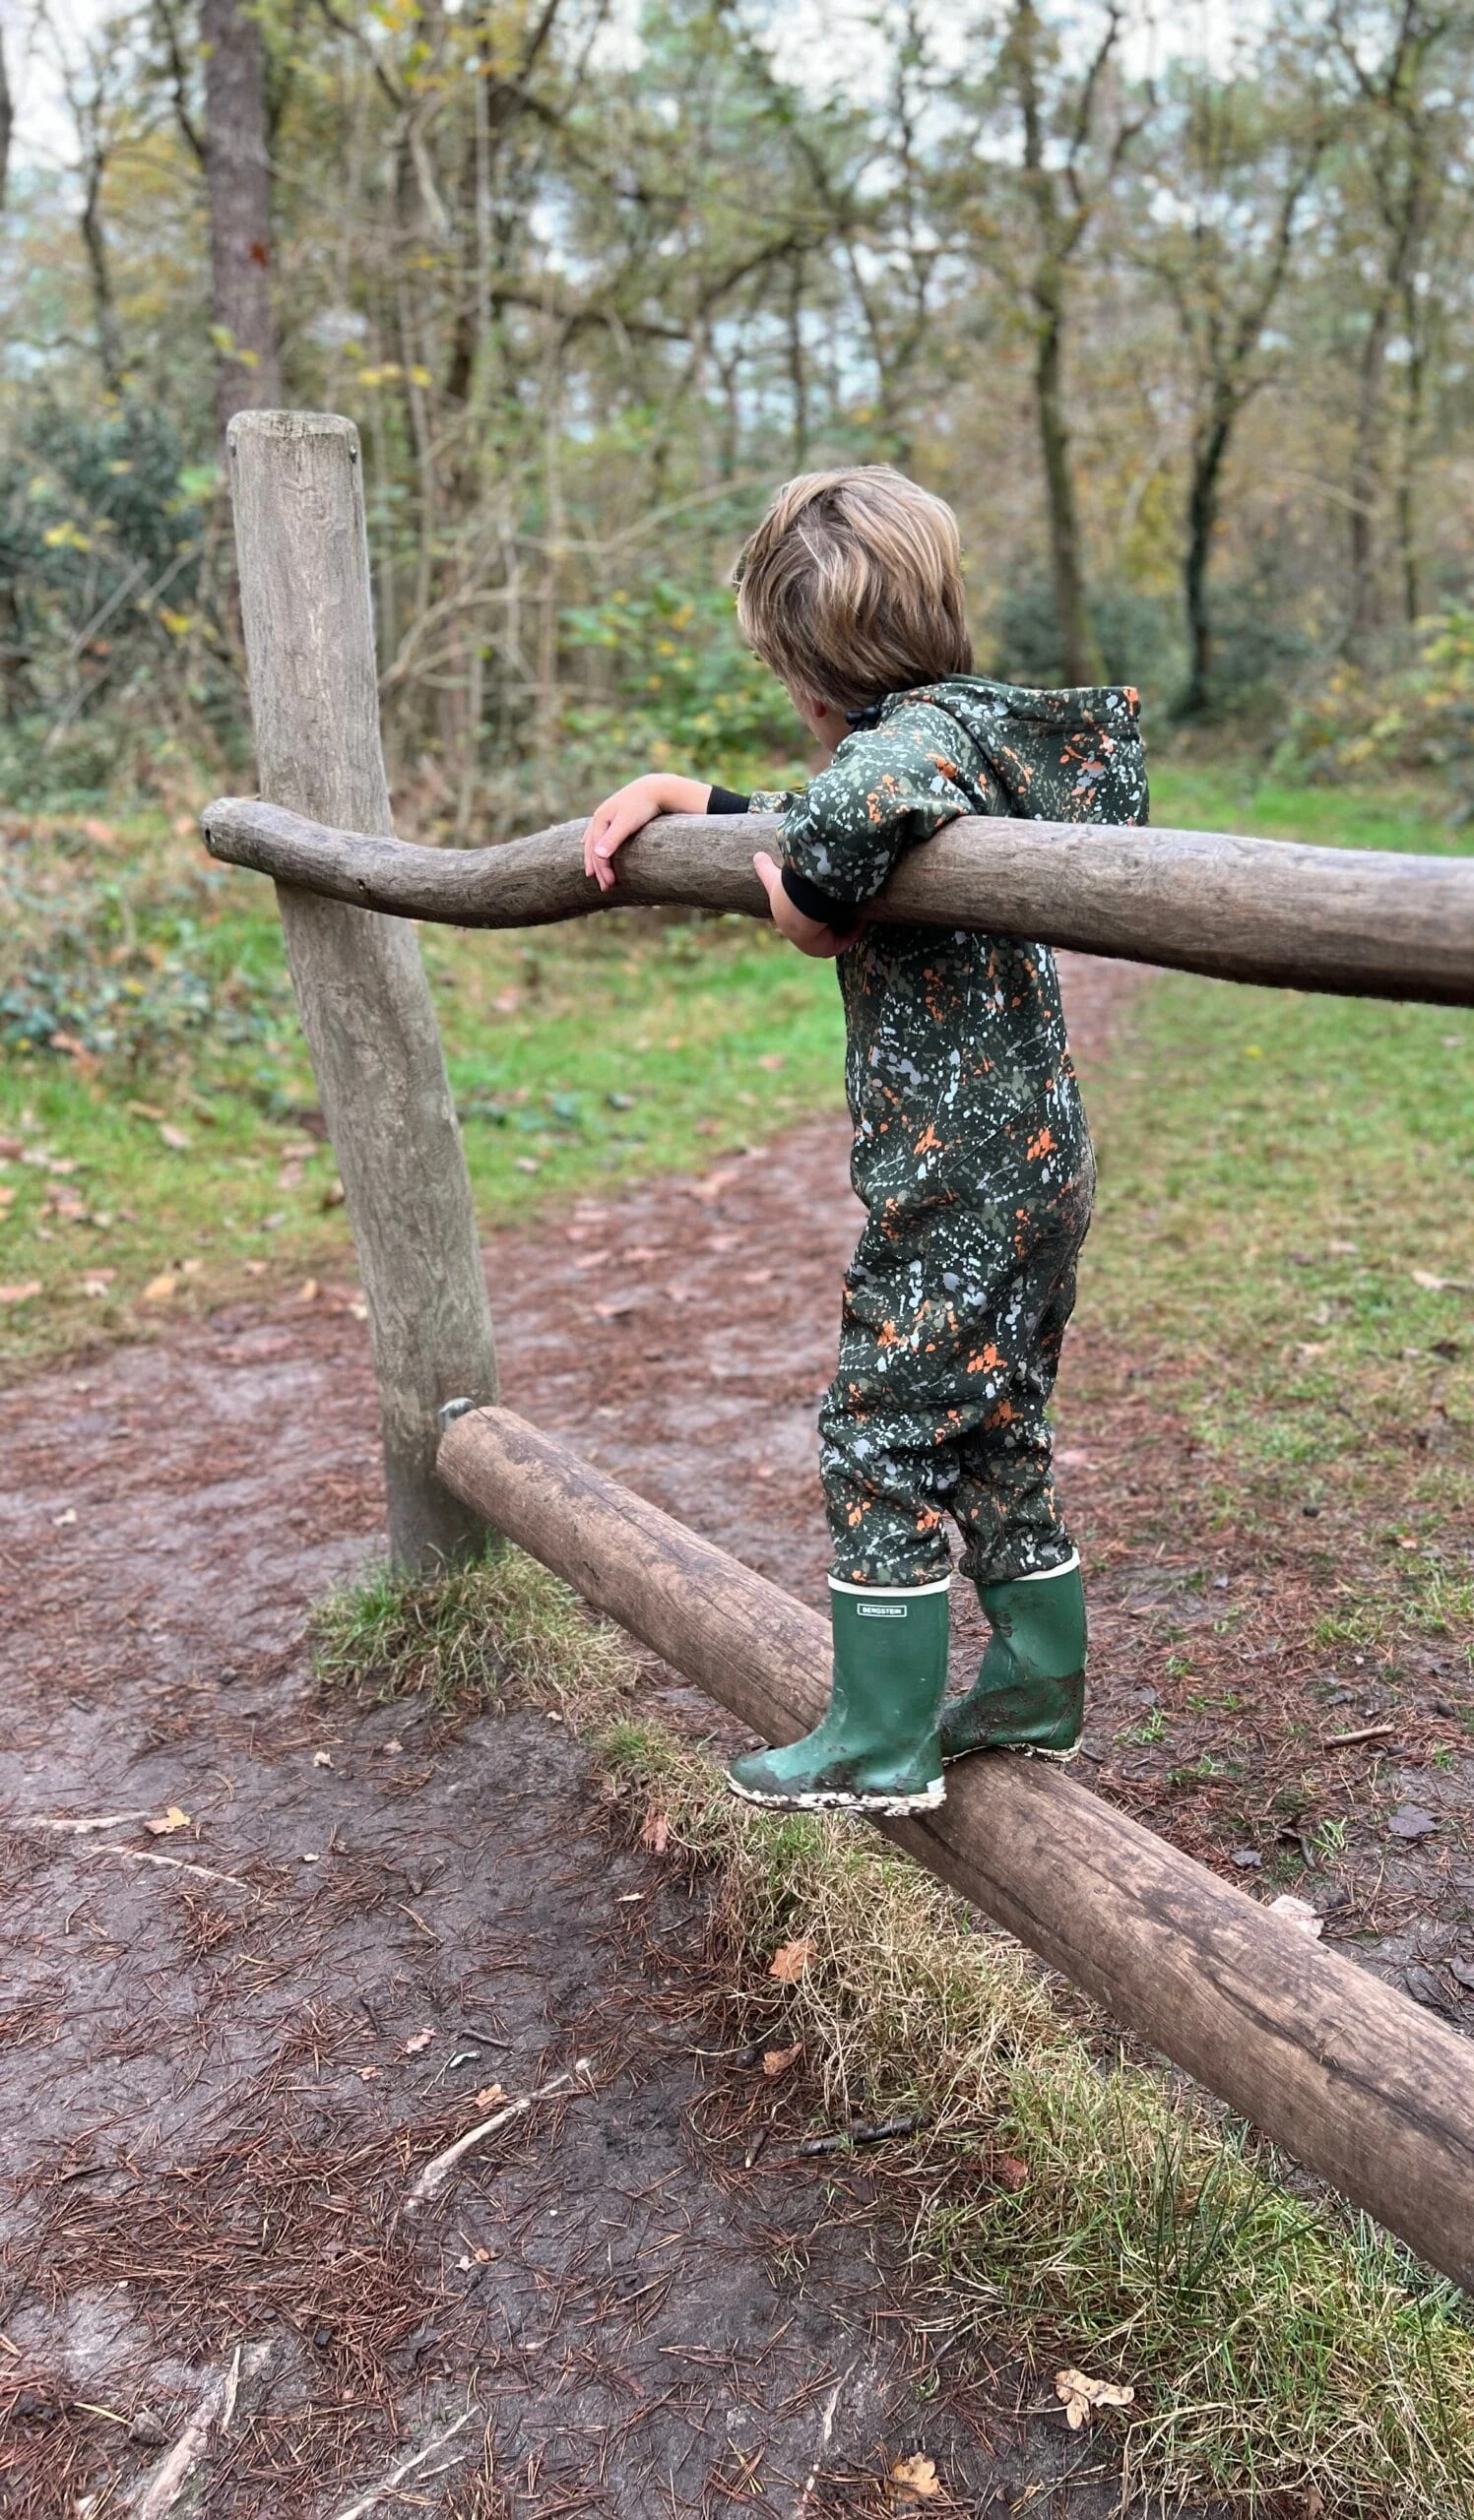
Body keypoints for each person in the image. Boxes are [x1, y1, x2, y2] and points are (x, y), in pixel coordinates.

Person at [581, 467, 1147, 1815]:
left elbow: (844, 821)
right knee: (998, 1414)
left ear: (801, 659)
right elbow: (839, 810)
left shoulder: (901, 759)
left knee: (879, 1429)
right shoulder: (972, 738)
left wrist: (813, 913)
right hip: (1033, 1169)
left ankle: (879, 1741)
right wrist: (694, 797)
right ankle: (1035, 1679)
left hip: (952, 1180)